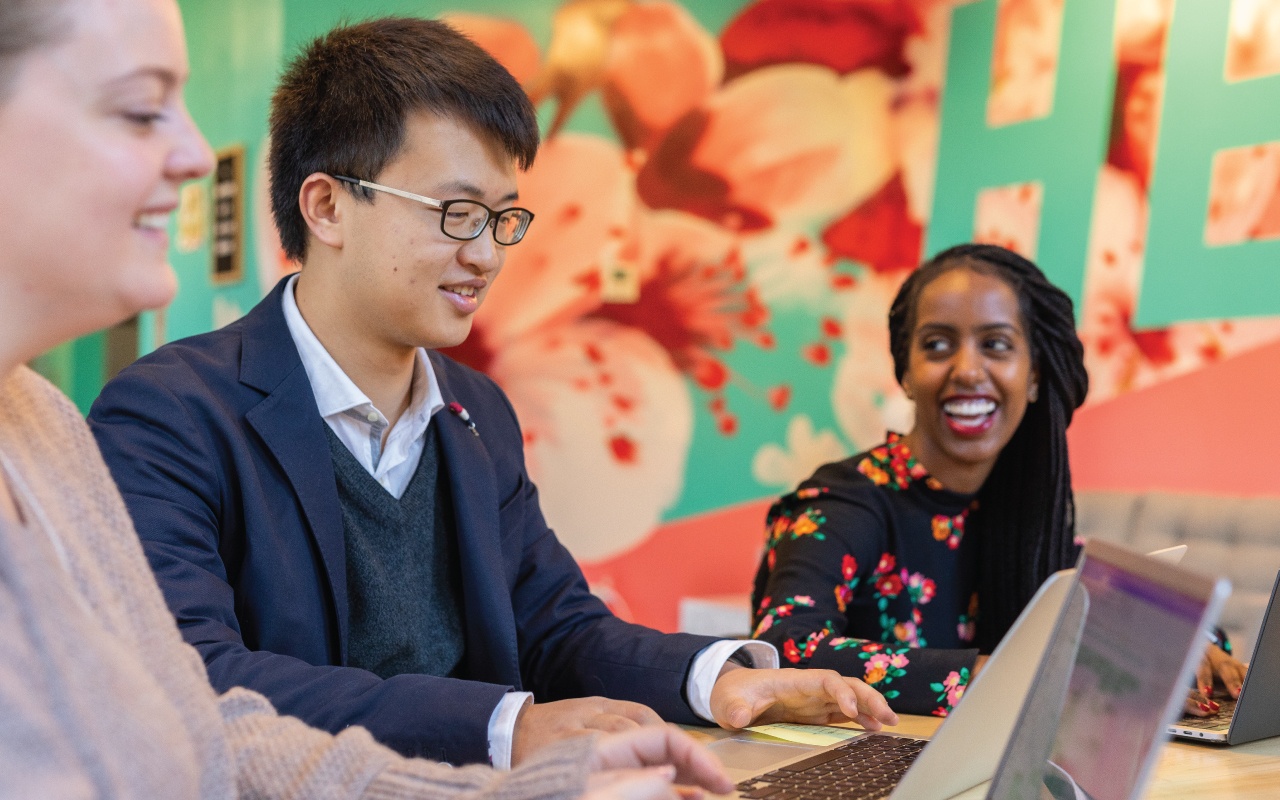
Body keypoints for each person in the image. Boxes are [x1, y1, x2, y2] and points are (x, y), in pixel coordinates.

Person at [87, 14, 897, 771]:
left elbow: (554, 623)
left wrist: (715, 680)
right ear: (328, 206)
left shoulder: (478, 413)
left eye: (503, 218)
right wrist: (506, 726)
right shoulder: (169, 414)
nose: (487, 256)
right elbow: (199, 675)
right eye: (456, 212)